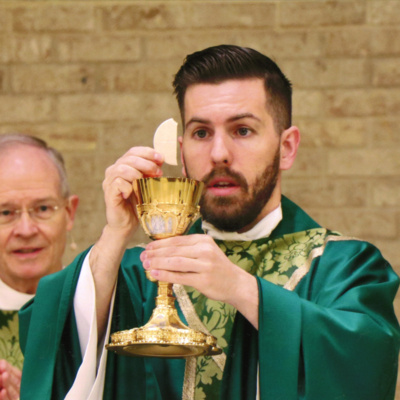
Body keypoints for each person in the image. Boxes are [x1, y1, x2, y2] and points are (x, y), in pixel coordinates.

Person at [19, 45, 400, 400]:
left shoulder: (344, 267)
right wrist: (115, 233)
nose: (219, 154)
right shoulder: (145, 272)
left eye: (242, 130)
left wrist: (240, 289)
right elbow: (50, 345)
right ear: (182, 153)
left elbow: (367, 364)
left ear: (286, 148)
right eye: (201, 133)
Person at [0, 134, 79, 400]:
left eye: (43, 208)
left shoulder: (102, 309)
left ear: (69, 213)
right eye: (6, 212)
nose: (26, 230)